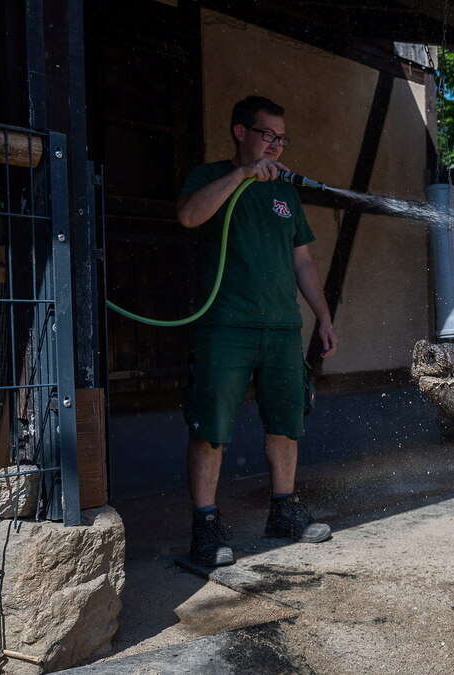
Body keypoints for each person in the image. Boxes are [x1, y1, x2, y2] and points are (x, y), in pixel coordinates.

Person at [176, 95, 337, 567]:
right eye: (268, 135)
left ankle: (284, 512)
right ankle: (205, 527)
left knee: (287, 424)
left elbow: (302, 260)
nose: (277, 146)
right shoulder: (209, 176)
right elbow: (188, 216)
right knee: (211, 429)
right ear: (240, 131)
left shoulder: (286, 194)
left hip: (282, 326)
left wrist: (323, 316)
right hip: (226, 324)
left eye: (282, 139)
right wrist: (241, 175)